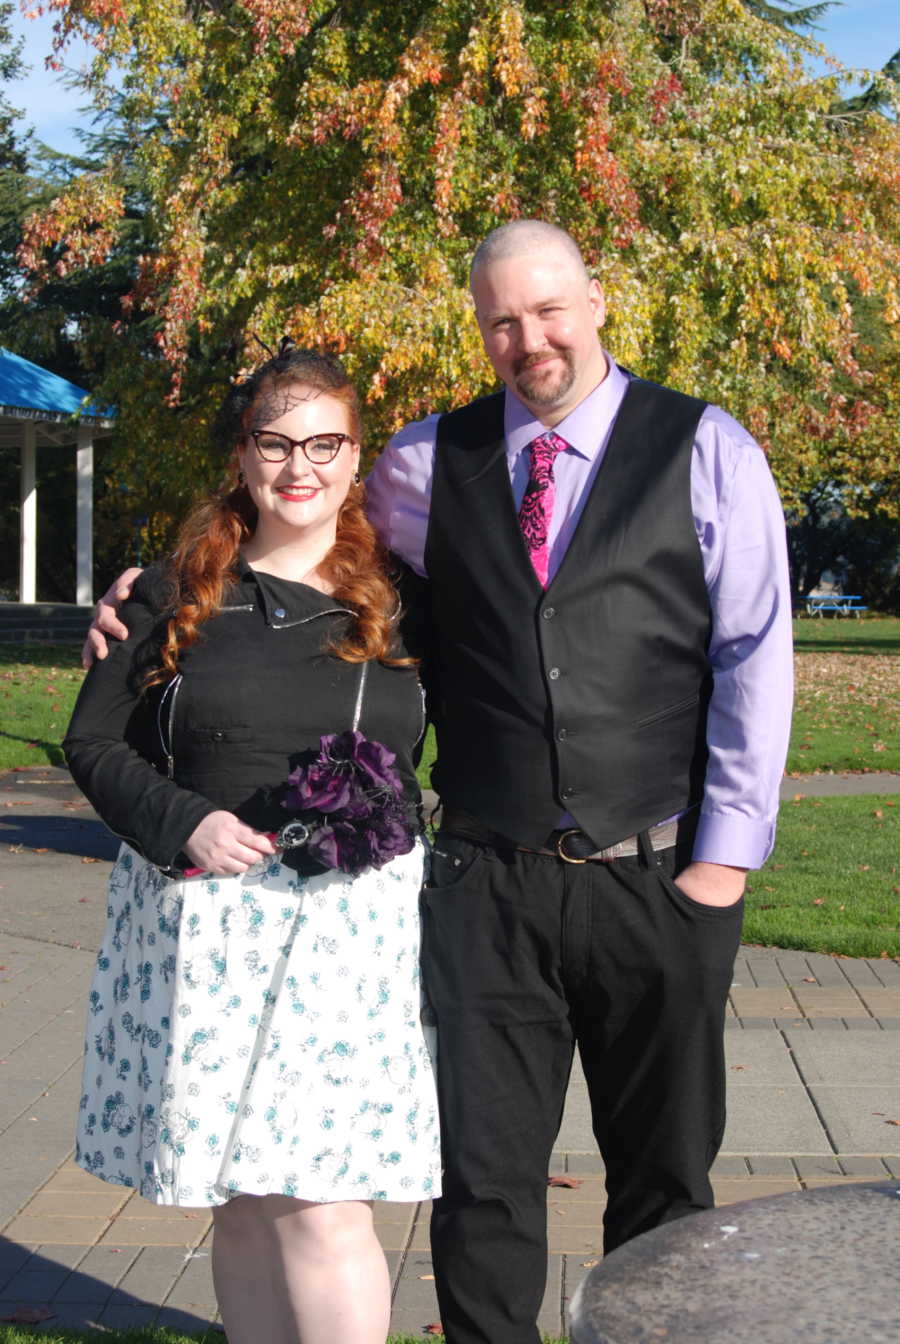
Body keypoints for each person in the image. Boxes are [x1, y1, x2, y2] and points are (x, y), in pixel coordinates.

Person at [87, 220, 794, 1344]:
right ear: (481, 330)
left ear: (598, 301)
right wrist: (154, 594)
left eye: (550, 309)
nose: (531, 339)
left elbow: (754, 652)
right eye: (502, 321)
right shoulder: (424, 462)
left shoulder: (708, 448)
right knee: (485, 1189)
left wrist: (723, 860)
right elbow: (298, 525)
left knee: (665, 1185)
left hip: (657, 878)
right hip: (486, 885)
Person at [65, 345, 441, 1344]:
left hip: (349, 938)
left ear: (358, 457)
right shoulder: (169, 593)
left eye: (325, 443)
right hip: (208, 925)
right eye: (276, 443)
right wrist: (182, 818)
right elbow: (93, 742)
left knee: (321, 1199)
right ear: (243, 455)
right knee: (238, 1193)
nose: (299, 467)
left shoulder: (410, 597)